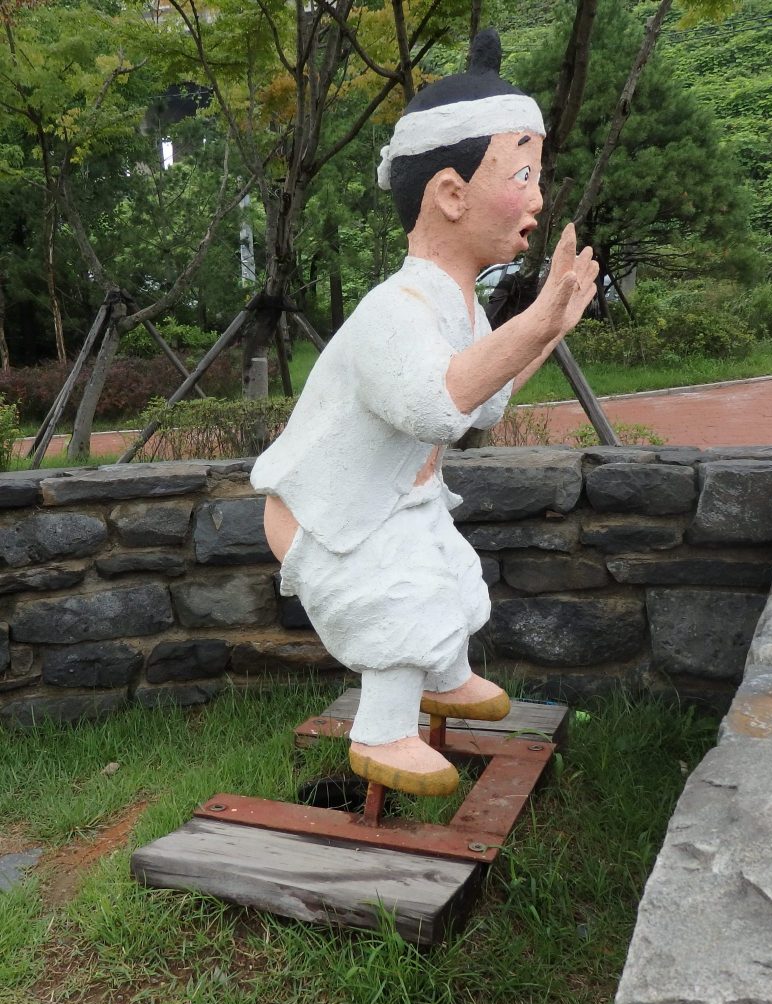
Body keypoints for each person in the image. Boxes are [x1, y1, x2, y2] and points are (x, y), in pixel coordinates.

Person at [250, 29, 597, 797]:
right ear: (450, 193)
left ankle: (444, 677)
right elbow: (437, 408)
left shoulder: (462, 306)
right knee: (399, 601)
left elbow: (486, 405)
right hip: (329, 514)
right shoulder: (394, 309)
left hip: (395, 502)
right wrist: (536, 319)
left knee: (449, 572)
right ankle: (381, 734)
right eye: (524, 175)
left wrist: (550, 329)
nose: (539, 200)